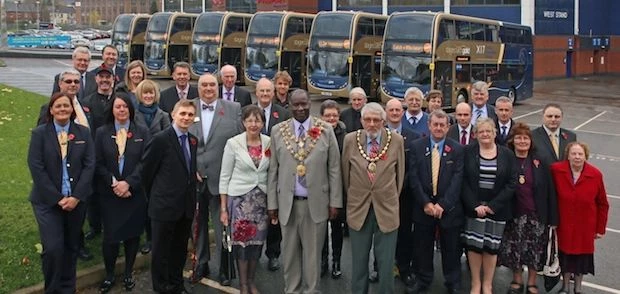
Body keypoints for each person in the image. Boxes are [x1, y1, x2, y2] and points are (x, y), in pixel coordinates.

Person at [268, 89, 342, 294]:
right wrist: (272, 204)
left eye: (304, 104)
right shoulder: (278, 131)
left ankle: (312, 290)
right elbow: (273, 169)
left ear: (310, 103)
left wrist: (335, 201)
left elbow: (334, 168)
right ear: (289, 105)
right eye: (296, 104)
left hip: (315, 203)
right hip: (287, 204)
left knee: (312, 256)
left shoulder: (325, 130)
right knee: (290, 254)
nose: (300, 108)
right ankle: (291, 290)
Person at [28, 92, 96, 293]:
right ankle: (53, 289)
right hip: (47, 202)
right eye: (58, 106)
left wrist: (76, 197)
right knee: (53, 249)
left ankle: (68, 288)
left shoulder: (83, 133)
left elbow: (89, 165)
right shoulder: (40, 134)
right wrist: (58, 199)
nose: (62, 109)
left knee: (70, 247)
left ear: (72, 109)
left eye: (66, 106)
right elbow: (36, 167)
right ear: (51, 110)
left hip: (76, 201)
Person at [342, 102, 405, 294]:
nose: (371, 124)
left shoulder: (396, 141)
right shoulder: (350, 140)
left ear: (383, 121)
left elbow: (399, 176)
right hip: (358, 209)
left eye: (376, 120)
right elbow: (346, 175)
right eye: (367, 120)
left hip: (386, 210)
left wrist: (388, 196)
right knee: (359, 264)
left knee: (386, 265)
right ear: (361, 120)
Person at [189, 73, 242, 285]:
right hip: (195, 178)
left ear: (218, 87)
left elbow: (239, 142)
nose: (208, 88)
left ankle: (224, 267)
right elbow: (180, 140)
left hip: (222, 179)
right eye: (204, 85)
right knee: (197, 224)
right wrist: (191, 168)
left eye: (212, 84)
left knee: (223, 226)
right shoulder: (187, 106)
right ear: (198, 88)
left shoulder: (233, 109)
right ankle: (201, 262)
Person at [142, 100, 198, 294]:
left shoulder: (192, 140)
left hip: (185, 206)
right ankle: (161, 287)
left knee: (179, 250)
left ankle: (176, 284)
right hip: (163, 206)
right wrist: (157, 196)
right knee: (160, 252)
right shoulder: (160, 139)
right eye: (182, 113)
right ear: (173, 114)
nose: (186, 118)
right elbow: (147, 172)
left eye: (190, 115)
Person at [95, 94, 150, 292]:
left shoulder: (142, 131)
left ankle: (128, 273)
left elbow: (146, 162)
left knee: (132, 236)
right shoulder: (101, 133)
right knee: (110, 238)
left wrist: (128, 184)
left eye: (125, 107)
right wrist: (115, 183)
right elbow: (97, 163)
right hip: (110, 195)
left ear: (130, 110)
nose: (121, 110)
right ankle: (109, 275)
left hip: (134, 194)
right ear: (112, 109)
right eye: (118, 107)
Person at [408, 110, 464, 294]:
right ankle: (423, 279)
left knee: (451, 248)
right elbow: (413, 178)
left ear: (448, 127)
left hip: (449, 209)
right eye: (435, 124)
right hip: (423, 208)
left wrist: (443, 205)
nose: (439, 128)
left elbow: (458, 179)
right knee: (422, 247)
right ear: (429, 125)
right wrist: (425, 203)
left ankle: (452, 282)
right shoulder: (417, 146)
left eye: (443, 125)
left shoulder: (457, 149)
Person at [498, 122, 558, 294]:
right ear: (512, 140)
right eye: (519, 138)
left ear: (531, 141)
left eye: (526, 138)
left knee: (535, 251)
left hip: (536, 215)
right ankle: (517, 280)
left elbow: (550, 191)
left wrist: (553, 219)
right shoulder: (506, 158)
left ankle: (532, 282)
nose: (522, 141)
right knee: (514, 249)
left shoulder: (541, 160)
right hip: (513, 214)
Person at [461, 118, 518, 294]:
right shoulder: (467, 151)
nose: (485, 134)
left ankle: (487, 284)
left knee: (491, 249)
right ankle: (475, 284)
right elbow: (461, 180)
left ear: (494, 133)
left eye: (488, 131)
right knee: (474, 246)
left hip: (497, 209)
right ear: (475, 134)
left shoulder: (507, 154)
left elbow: (512, 182)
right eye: (481, 131)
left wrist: (493, 206)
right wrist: (474, 205)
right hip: (474, 210)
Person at [219, 105, 271, 294]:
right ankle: (242, 284)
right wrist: (224, 208)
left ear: (263, 123)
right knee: (241, 245)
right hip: (240, 202)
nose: (253, 124)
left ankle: (251, 281)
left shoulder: (269, 143)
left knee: (257, 244)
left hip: (261, 202)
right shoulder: (233, 143)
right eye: (249, 120)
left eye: (257, 120)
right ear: (243, 122)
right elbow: (224, 176)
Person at [551, 142, 609, 294]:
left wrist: (600, 229)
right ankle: (565, 287)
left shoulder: (595, 174)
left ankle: (578, 288)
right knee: (565, 256)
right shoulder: (556, 170)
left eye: (580, 154)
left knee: (581, 260)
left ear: (585, 156)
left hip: (585, 226)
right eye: (573, 154)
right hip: (563, 224)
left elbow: (603, 203)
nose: (577, 157)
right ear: (568, 156)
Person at [253, 77, 291, 272]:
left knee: (274, 215)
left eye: (269, 91)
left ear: (273, 92)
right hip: (254, 172)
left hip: (277, 172)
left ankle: (273, 254)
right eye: (262, 91)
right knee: (255, 214)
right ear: (256, 92)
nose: (265, 94)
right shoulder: (248, 112)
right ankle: (254, 253)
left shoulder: (283, 113)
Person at [385, 98, 420, 287]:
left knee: (405, 233)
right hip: (382, 195)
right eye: (391, 110)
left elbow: (413, 167)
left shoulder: (413, 137)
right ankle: (381, 267)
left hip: (404, 195)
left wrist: (398, 186)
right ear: (386, 112)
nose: (395, 113)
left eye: (398, 110)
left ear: (402, 111)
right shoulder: (378, 135)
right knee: (383, 233)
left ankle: (404, 268)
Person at [80, 65, 116, 243]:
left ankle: (112, 222)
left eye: (107, 77)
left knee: (112, 189)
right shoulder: (87, 102)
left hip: (115, 153)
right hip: (93, 153)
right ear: (96, 80)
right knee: (93, 193)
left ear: (113, 79)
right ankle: (95, 226)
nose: (104, 80)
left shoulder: (119, 101)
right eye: (101, 77)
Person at [319, 99, 347, 279]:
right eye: (327, 115)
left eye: (334, 115)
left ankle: (336, 260)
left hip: (339, 188)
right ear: (321, 117)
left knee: (337, 228)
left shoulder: (346, 135)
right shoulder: (314, 133)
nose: (331, 118)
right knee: (320, 228)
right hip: (320, 189)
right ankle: (322, 261)